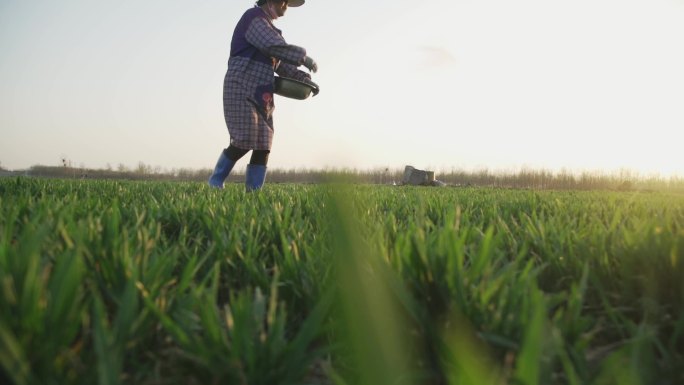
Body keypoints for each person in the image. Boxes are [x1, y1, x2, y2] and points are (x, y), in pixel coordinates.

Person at [208, 0, 318, 191]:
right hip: (241, 86)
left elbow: (284, 66)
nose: (286, 5)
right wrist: (303, 57)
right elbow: (271, 46)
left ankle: (254, 191)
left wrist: (307, 81)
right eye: (284, 0)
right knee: (244, 137)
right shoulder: (254, 19)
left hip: (262, 94)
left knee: (263, 143)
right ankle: (215, 182)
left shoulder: (272, 32)